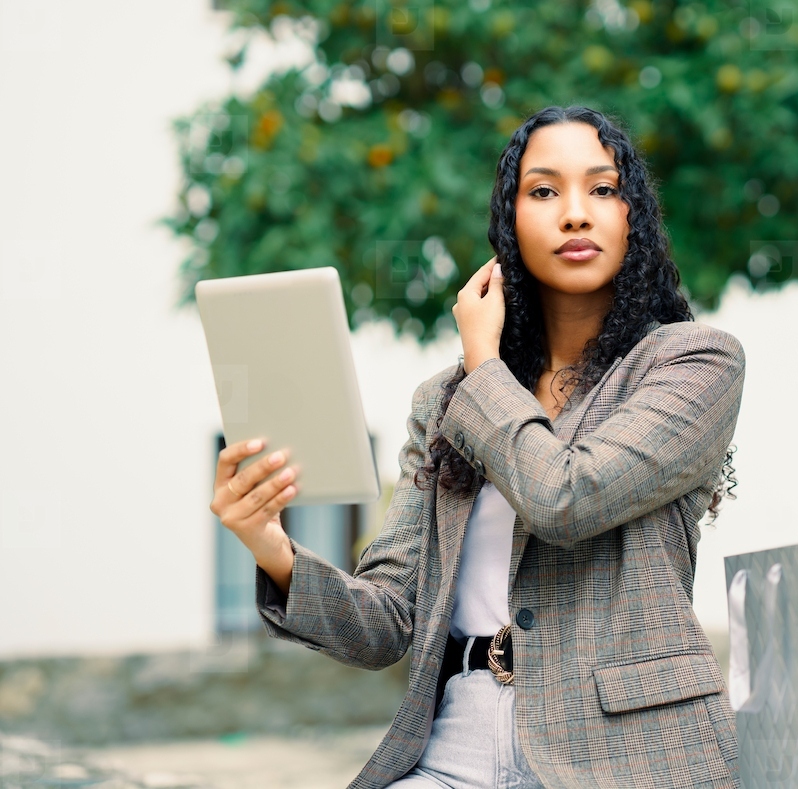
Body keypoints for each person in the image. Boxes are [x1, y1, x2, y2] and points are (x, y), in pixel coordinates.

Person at [210, 105, 746, 789]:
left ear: (633, 216)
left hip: (622, 757)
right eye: (544, 191)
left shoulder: (693, 363)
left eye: (603, 189)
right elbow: (386, 621)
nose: (575, 214)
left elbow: (564, 496)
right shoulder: (444, 402)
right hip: (452, 751)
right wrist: (271, 547)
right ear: (509, 224)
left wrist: (483, 363)